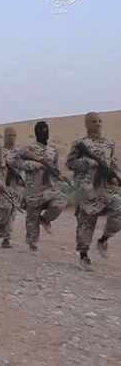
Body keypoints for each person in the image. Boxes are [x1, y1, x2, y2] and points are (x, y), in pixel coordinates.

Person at [66, 112, 121, 270]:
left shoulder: (109, 143)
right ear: (87, 124)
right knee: (87, 222)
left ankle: (103, 239)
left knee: (118, 207)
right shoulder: (80, 144)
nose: (98, 124)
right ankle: (84, 255)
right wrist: (87, 162)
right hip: (86, 189)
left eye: (99, 121)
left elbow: (112, 164)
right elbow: (70, 163)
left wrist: (115, 176)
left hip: (105, 188)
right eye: (94, 121)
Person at [11, 121, 67, 252]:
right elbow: (15, 161)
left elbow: (54, 168)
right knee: (32, 218)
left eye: (46, 129)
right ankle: (32, 244)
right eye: (41, 130)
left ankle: (45, 219)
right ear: (36, 132)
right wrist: (32, 165)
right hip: (33, 189)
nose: (44, 132)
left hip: (49, 188)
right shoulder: (28, 149)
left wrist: (59, 176)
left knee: (60, 201)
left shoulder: (53, 150)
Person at [0, 127, 23, 249]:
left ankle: (7, 238)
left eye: (14, 135)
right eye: (10, 135)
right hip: (2, 184)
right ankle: (0, 224)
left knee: (12, 211)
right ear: (5, 136)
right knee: (5, 208)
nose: (12, 138)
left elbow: (23, 166)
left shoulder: (19, 153)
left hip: (15, 185)